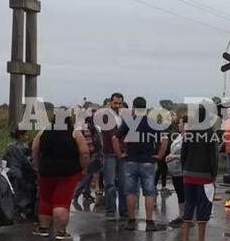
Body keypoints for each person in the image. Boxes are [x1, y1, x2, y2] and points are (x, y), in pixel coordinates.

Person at [113, 96, 168, 232]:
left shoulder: (129, 122)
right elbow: (165, 139)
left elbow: (115, 137)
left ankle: (131, 221)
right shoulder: (152, 122)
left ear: (133, 107)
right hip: (148, 161)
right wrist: (160, 155)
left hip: (131, 160)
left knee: (131, 192)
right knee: (149, 192)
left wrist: (120, 154)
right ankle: (149, 222)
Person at [32, 115, 90, 241]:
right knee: (61, 201)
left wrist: (37, 166)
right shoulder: (75, 134)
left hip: (46, 172)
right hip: (68, 173)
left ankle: (43, 228)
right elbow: (84, 153)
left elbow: (35, 149)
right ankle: (60, 232)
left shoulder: (43, 132)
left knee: (46, 200)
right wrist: (84, 168)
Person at [180, 106, 218, 241]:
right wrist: (213, 175)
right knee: (203, 207)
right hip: (204, 177)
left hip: (188, 175)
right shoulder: (210, 134)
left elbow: (183, 155)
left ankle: (185, 240)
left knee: (189, 205)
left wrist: (185, 170)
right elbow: (213, 158)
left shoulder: (188, 133)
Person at [100, 92, 128, 221]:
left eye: (119, 103)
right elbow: (111, 135)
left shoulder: (123, 115)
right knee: (110, 183)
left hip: (121, 152)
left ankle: (123, 210)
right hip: (110, 152)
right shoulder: (105, 115)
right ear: (110, 102)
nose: (117, 105)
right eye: (115, 103)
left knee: (123, 183)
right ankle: (110, 210)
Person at [71, 109, 103, 211]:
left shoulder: (83, 127)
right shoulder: (89, 127)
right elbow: (89, 143)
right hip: (91, 154)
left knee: (88, 176)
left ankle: (86, 193)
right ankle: (76, 195)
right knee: (87, 176)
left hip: (90, 154)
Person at [4, 129, 37, 221]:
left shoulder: (10, 147)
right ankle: (22, 212)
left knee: (17, 193)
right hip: (22, 173)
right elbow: (26, 162)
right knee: (24, 193)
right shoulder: (21, 148)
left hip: (13, 172)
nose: (27, 137)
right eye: (25, 135)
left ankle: (17, 212)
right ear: (21, 136)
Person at [165, 115, 186, 228]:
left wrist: (175, 157)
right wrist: (170, 156)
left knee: (185, 193)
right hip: (175, 171)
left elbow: (187, 156)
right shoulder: (179, 136)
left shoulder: (189, 138)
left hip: (183, 171)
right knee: (180, 194)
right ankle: (182, 215)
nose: (179, 125)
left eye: (181, 123)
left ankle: (187, 217)